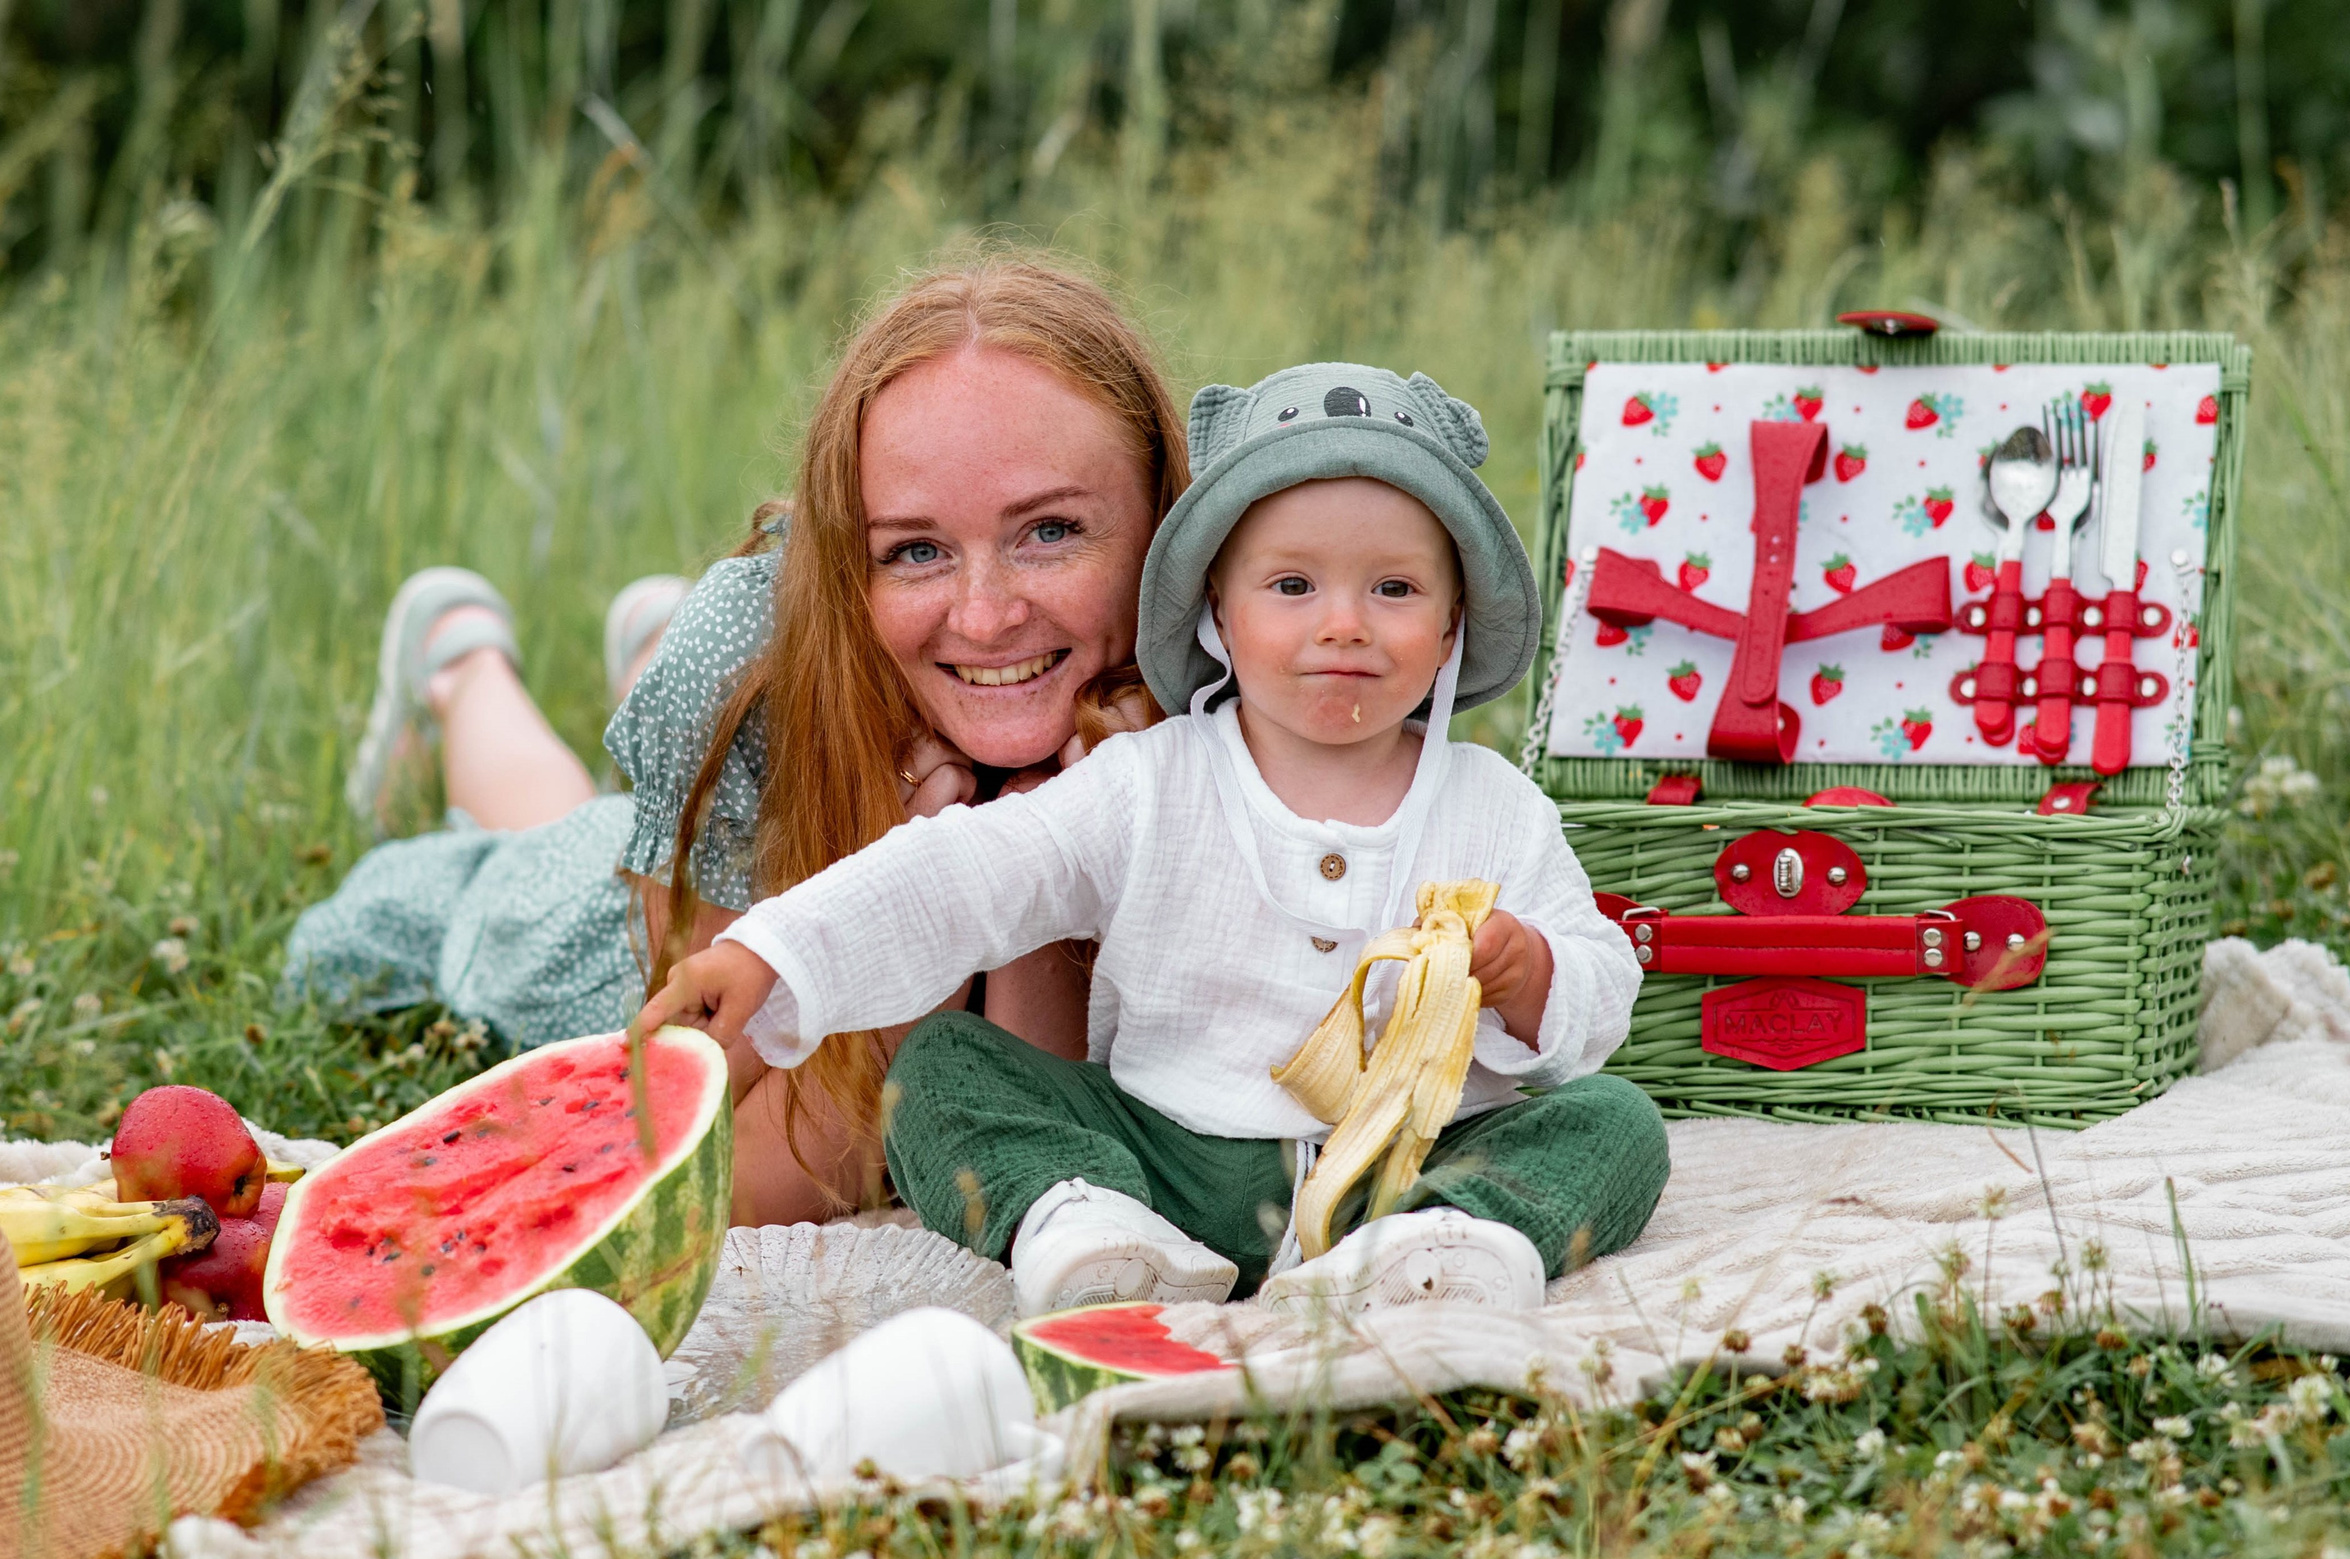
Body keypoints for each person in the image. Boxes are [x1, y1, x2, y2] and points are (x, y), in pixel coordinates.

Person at [640, 362, 1672, 1319]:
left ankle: (1444, 1245)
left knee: (1615, 1123)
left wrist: (1532, 974)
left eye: (1394, 590)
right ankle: (1086, 1222)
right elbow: (964, 874)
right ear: (1219, 610)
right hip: (1170, 1157)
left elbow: (1599, 989)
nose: (1344, 624)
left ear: (1450, 627)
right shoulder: (1149, 781)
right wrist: (776, 954)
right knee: (942, 1071)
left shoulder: (1496, 807)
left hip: (1409, 1164)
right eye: (1292, 587)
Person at [284, 258, 1188, 1224]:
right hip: (592, 932)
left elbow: (1051, 1116)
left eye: (1049, 532)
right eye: (917, 550)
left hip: (787, 732)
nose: (984, 613)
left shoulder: (1247, 661)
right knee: (528, 842)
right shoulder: (741, 659)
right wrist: (912, 871)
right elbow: (733, 1162)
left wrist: (1039, 827)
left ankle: (642, 653)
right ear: (849, 562)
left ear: (1168, 524)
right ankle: (460, 661)